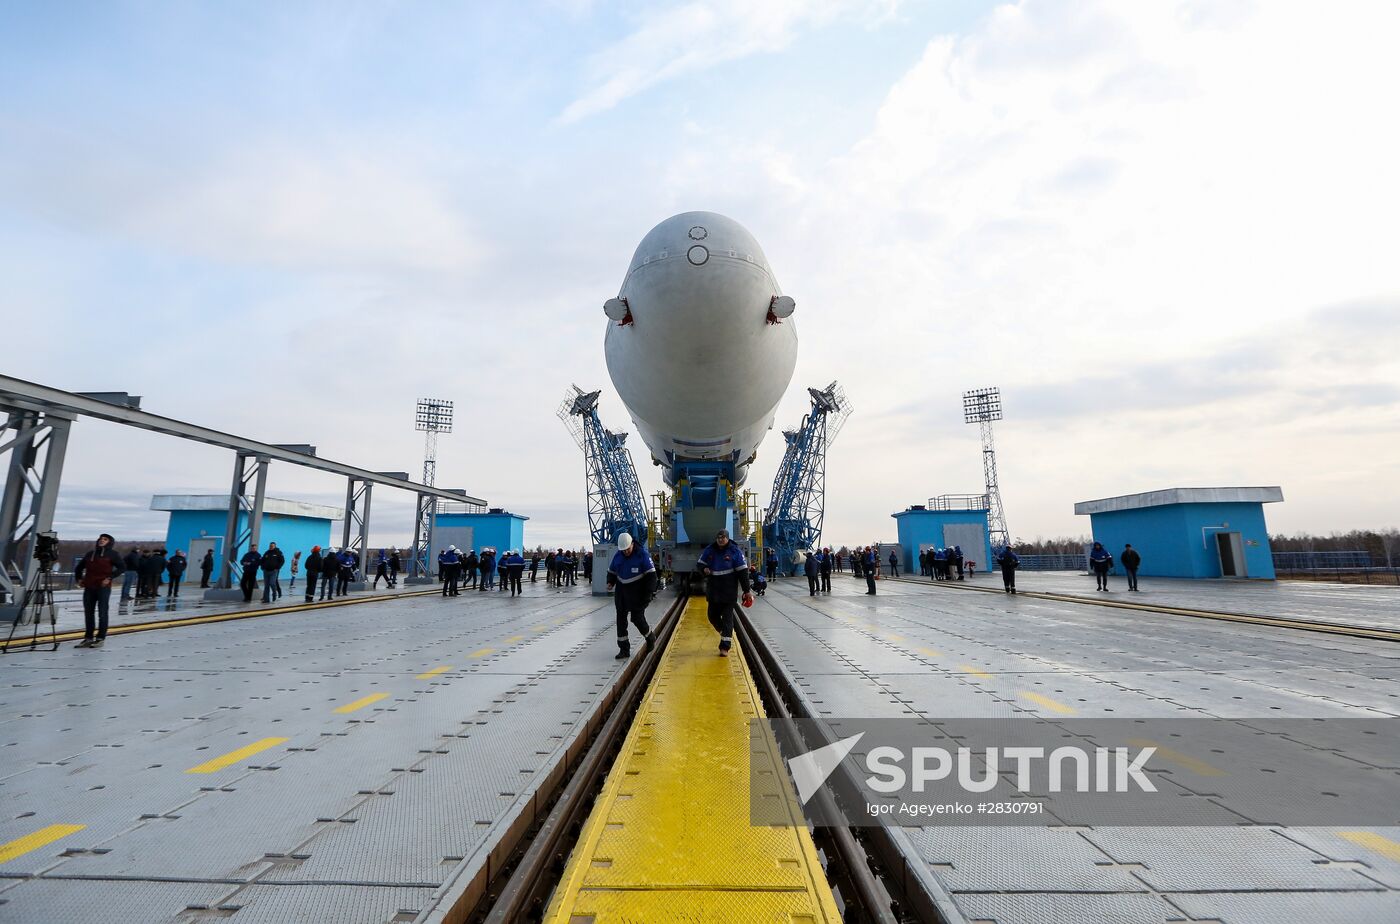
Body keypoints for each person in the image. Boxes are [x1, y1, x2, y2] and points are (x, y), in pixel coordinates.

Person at [697, 529, 753, 656]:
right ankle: (724, 632)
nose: (721, 540)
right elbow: (700, 564)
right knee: (712, 616)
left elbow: (743, 572)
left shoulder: (735, 551)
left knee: (728, 618)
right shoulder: (710, 550)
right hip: (713, 590)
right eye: (718, 537)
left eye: (723, 537)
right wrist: (704, 569)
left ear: (727, 538)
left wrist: (747, 591)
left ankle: (725, 647)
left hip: (728, 591)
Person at [607, 533, 657, 658]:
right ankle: (624, 649)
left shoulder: (642, 555)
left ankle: (650, 637)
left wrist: (648, 594)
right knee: (621, 621)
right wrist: (610, 582)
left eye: (628, 549)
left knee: (637, 618)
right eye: (623, 550)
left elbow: (652, 577)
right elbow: (612, 571)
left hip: (638, 593)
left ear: (632, 544)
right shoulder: (618, 556)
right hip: (621, 593)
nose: (626, 552)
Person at [74, 533, 124, 648]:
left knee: (102, 612)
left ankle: (100, 638)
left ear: (109, 542)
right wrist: (79, 579)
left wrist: (109, 578)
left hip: (103, 587)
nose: (102, 541)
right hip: (89, 587)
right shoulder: (90, 554)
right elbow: (79, 567)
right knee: (88, 613)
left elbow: (122, 567)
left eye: (105, 539)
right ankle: (88, 638)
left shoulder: (113, 554)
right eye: (101, 539)